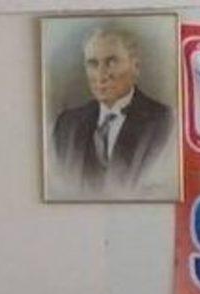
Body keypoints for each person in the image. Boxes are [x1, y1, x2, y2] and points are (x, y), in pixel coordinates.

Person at [51, 27, 171, 198]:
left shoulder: (165, 122)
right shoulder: (66, 125)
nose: (101, 76)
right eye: (93, 64)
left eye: (111, 62)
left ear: (135, 67)